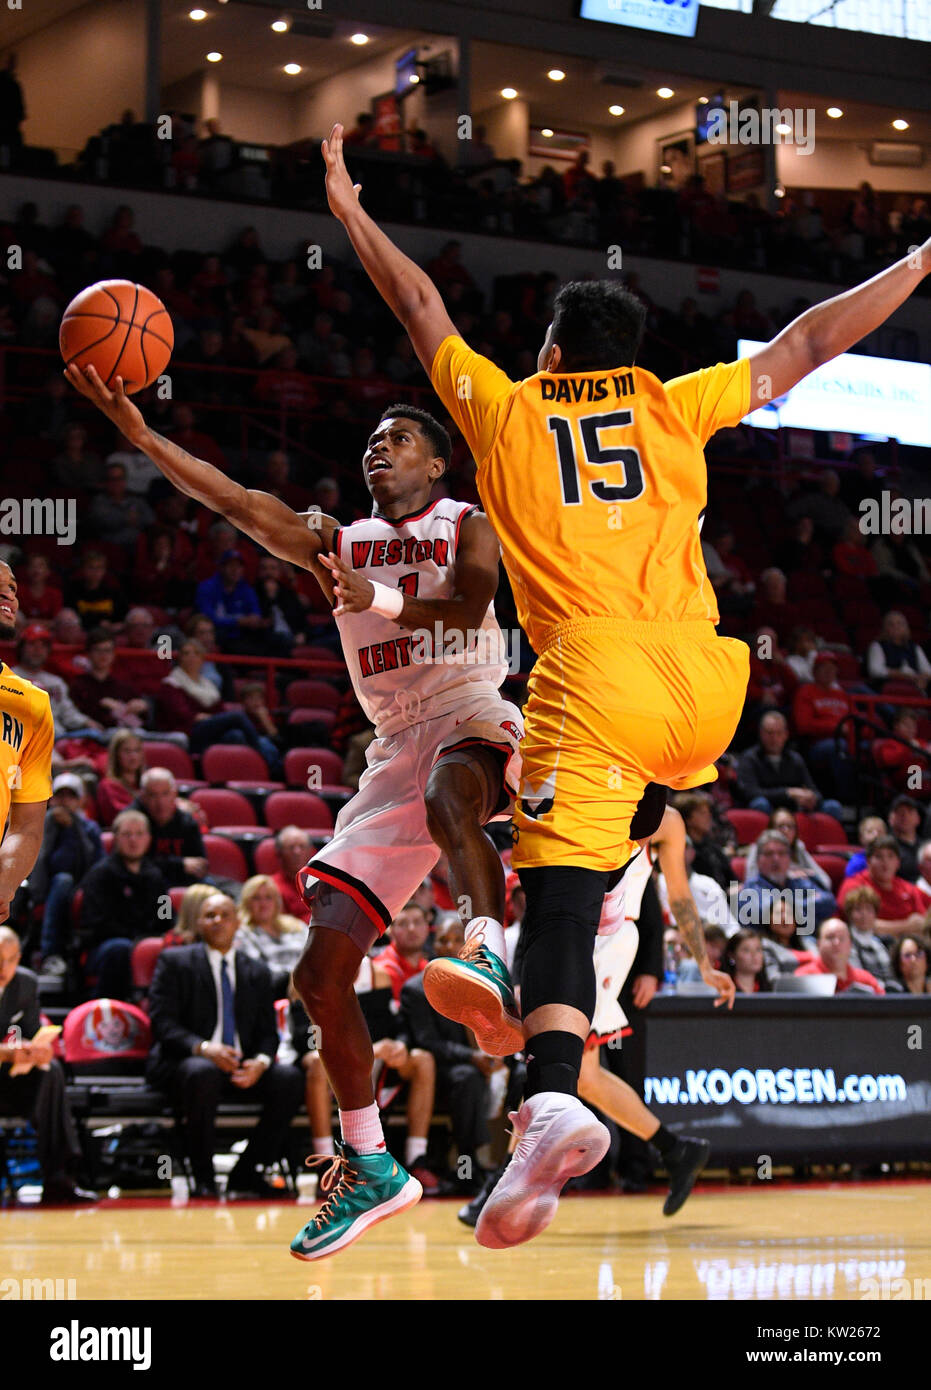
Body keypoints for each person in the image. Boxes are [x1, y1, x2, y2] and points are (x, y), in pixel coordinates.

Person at [319, 118, 931, 1247]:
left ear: (551, 354)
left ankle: (549, 1093)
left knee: (549, 895)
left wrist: (353, 214)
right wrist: (914, 262)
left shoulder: (504, 409)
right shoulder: (669, 400)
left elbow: (420, 309)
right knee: (605, 846)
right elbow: (803, 347)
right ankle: (545, 1067)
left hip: (591, 674)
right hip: (703, 685)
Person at [65, 366, 524, 1264]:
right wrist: (142, 435)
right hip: (392, 745)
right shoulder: (338, 541)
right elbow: (237, 501)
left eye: (396, 439)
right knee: (317, 979)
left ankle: (488, 950)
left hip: (472, 707)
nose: (376, 451)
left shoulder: (467, 521)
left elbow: (471, 604)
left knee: (450, 797)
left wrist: (380, 600)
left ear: (436, 461)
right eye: (369, 443)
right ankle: (370, 1162)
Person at [147, 890, 304, 1198]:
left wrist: (260, 1061)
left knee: (289, 1079)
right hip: (186, 1062)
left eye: (225, 915)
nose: (218, 921)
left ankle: (245, 1173)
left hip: (239, 1064)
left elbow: (268, 1034)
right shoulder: (175, 962)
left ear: (237, 923)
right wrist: (206, 1048)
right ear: (198, 923)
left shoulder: (257, 971)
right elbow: (162, 1024)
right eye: (210, 916)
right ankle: (204, 1178)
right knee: (202, 1073)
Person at [0, 927, 95, 1203]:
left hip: (7, 1082)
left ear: (19, 957)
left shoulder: (25, 984)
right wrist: (7, 1053)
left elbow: (30, 1034)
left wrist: (37, 1051)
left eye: (11, 959)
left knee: (50, 1071)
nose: (4, 968)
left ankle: (58, 1177)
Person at [78, 809, 168, 998]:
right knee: (120, 948)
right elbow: (97, 924)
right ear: (116, 838)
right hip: (105, 947)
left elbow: (165, 915)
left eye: (139, 834)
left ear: (148, 838)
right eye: (127, 834)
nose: (133, 840)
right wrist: (138, 940)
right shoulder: (100, 875)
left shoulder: (157, 877)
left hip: (144, 942)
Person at [28, 772, 103, 974]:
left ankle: (54, 954)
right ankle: (47, 953)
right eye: (60, 796)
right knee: (61, 881)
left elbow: (95, 864)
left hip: (82, 885)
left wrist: (73, 828)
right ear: (51, 798)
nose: (64, 802)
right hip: (43, 886)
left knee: (65, 881)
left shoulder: (90, 828)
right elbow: (36, 862)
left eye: (71, 796)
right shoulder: (36, 825)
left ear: (81, 801)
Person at [736, 710, 843, 820]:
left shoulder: (795, 759)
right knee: (759, 804)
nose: (774, 738)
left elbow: (814, 791)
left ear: (786, 734)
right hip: (769, 808)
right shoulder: (750, 758)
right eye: (769, 733)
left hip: (793, 809)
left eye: (778, 733)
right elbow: (750, 793)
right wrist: (788, 793)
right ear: (761, 733)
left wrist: (810, 798)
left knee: (833, 807)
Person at [739, 829, 836, 934]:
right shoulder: (750, 889)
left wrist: (788, 907)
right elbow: (765, 913)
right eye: (769, 854)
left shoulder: (798, 882)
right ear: (758, 861)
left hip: (807, 942)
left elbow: (829, 902)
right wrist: (807, 907)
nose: (776, 859)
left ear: (789, 859)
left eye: (781, 853)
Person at [129, 768, 208, 888]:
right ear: (143, 797)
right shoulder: (132, 821)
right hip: (144, 884)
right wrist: (180, 864)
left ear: (174, 794)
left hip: (184, 882)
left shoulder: (187, 821)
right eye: (153, 795)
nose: (160, 802)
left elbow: (200, 865)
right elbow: (134, 864)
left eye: (165, 793)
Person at [837, 837, 931, 937]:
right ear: (868, 862)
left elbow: (922, 922)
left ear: (898, 862)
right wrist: (906, 926)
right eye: (879, 857)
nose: (885, 862)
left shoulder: (908, 888)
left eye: (890, 856)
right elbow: (861, 924)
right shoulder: (855, 885)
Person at [234, 875, 306, 997]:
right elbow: (258, 972)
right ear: (246, 902)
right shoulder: (242, 933)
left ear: (277, 901)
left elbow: (317, 953)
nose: (263, 904)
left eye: (269, 897)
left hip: (311, 983)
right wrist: (294, 977)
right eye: (256, 898)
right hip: (277, 992)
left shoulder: (296, 925)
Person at [743, 806, 831, 891]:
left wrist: (809, 876)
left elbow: (825, 881)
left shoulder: (798, 847)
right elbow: (751, 885)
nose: (786, 830)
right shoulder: (759, 849)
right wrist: (791, 875)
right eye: (781, 826)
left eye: (790, 826)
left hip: (800, 898)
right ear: (771, 829)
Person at [794, 917, 884, 995]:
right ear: (818, 944)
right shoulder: (803, 978)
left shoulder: (866, 981)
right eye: (830, 937)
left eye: (842, 938)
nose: (836, 943)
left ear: (850, 945)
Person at [841, 884, 895, 988]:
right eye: (858, 909)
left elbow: (891, 975)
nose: (864, 914)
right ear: (849, 914)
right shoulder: (845, 944)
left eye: (869, 909)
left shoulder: (882, 943)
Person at [95, 728, 145, 827]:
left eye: (137, 750)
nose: (133, 756)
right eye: (127, 751)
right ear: (116, 755)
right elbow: (120, 819)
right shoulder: (108, 786)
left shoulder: (148, 784)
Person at [722, 929, 771, 994]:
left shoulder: (768, 989)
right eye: (746, 950)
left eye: (758, 949)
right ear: (732, 955)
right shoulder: (720, 989)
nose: (754, 955)